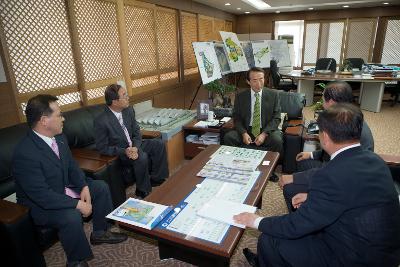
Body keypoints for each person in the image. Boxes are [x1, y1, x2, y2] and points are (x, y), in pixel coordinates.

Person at [234, 103, 400, 267]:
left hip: (354, 257)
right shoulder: (375, 160)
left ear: (325, 137)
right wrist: (312, 197)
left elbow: (295, 226)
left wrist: (256, 221)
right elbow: (351, 193)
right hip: (384, 251)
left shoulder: (331, 175)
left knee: (269, 239)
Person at [13, 95, 127, 267]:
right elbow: (42, 196)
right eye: (59, 115)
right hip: (40, 205)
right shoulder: (25, 153)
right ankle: (76, 261)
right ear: (44, 120)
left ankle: (99, 232)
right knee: (71, 216)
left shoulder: (59, 137)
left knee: (99, 187)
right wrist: (77, 205)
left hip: (63, 188)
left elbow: (72, 166)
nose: (63, 118)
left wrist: (83, 186)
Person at [280, 81, 374, 211]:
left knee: (290, 188)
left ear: (331, 102)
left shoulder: (345, 126)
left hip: (345, 182)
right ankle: (304, 210)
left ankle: (304, 220)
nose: (322, 103)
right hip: (337, 168)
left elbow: (337, 173)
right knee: (302, 161)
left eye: (323, 99)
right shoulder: (348, 117)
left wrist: (307, 190)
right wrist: (311, 154)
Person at [94, 84, 169, 199]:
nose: (128, 97)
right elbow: (102, 147)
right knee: (141, 156)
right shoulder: (101, 120)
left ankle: (156, 179)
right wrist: (125, 151)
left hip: (134, 145)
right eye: (124, 96)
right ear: (114, 101)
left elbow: (136, 131)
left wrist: (135, 147)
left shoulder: (128, 110)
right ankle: (143, 190)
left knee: (158, 144)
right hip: (120, 153)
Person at [223, 67, 283, 155]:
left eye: (261, 79)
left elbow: (276, 118)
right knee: (229, 137)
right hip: (247, 129)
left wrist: (264, 134)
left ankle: (270, 166)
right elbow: (237, 118)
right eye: (255, 80)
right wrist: (243, 133)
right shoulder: (241, 97)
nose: (259, 84)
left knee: (277, 141)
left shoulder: (273, 95)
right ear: (248, 82)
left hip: (266, 130)